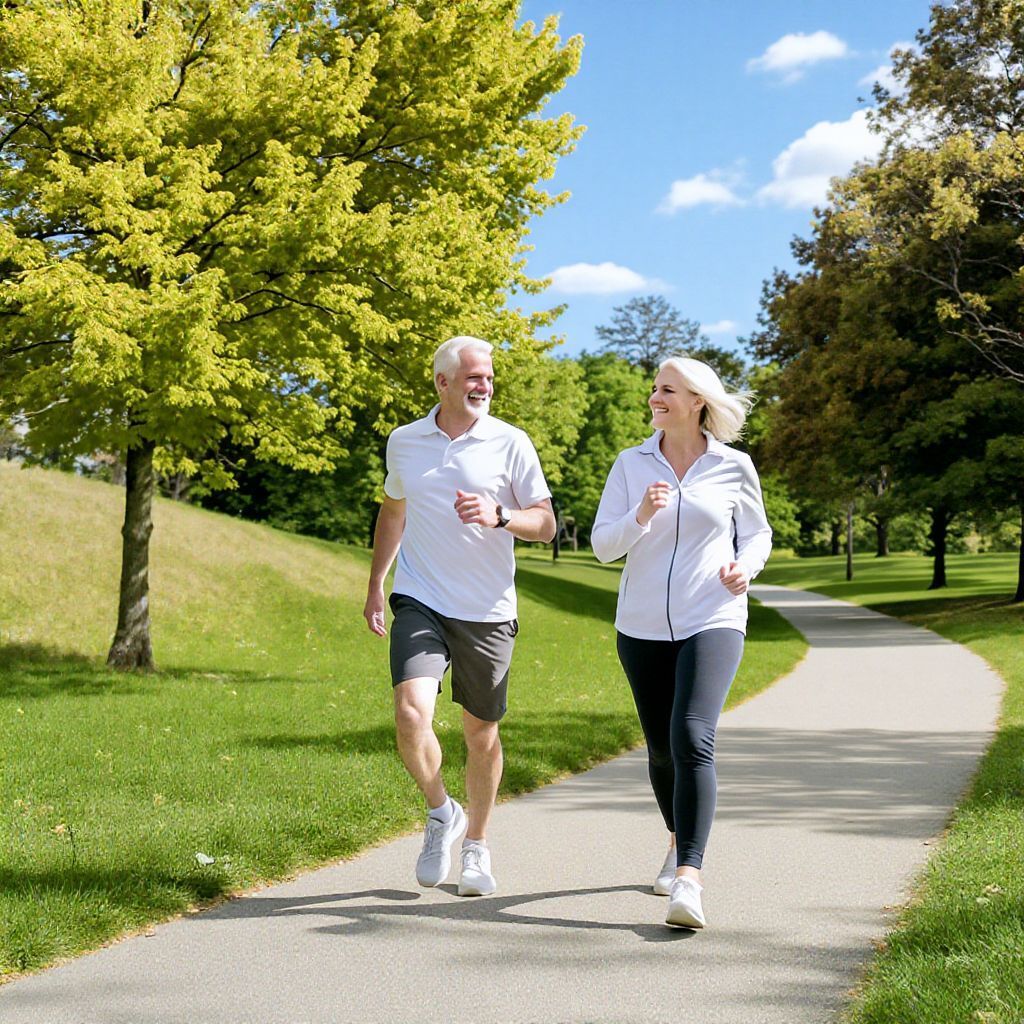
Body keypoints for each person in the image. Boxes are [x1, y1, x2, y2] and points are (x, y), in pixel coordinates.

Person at [363, 335, 556, 897]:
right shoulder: (405, 442)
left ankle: (475, 843)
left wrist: (500, 515)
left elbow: (545, 524)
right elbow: (394, 510)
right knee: (408, 714)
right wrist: (377, 583)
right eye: (474, 377)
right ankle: (439, 811)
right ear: (442, 382)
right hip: (420, 598)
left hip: (488, 610)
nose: (485, 386)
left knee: (480, 732)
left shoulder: (510, 443)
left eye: (489, 377)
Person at [591, 356, 772, 929]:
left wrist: (746, 566)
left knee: (692, 735)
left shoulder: (733, 465)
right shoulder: (630, 464)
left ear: (698, 401)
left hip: (712, 616)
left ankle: (690, 878)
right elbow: (602, 546)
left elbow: (759, 532)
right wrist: (640, 514)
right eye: (654, 389)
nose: (655, 397)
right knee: (661, 749)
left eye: (667, 389)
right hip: (640, 624)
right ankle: (676, 839)